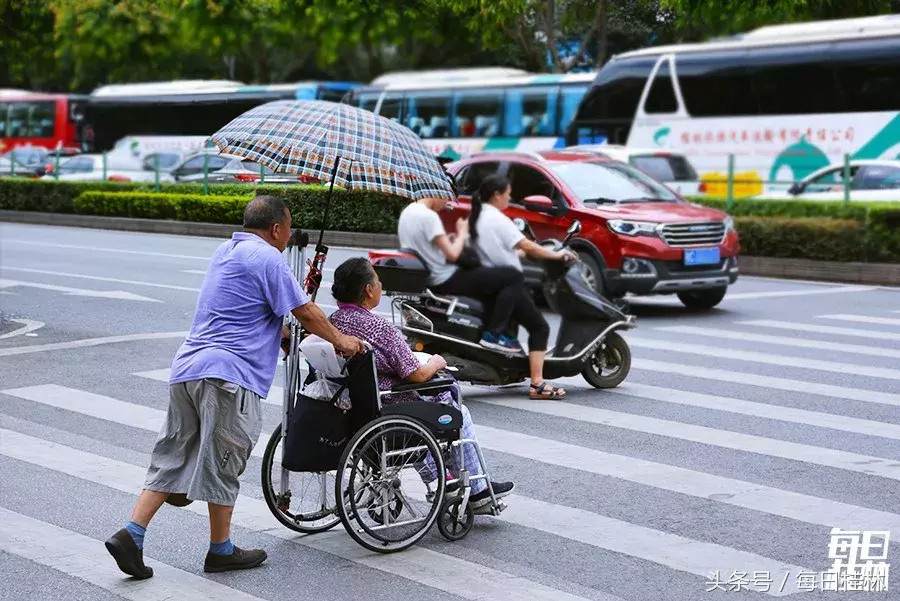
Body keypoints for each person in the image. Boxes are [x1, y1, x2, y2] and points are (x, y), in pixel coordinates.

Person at [104, 195, 365, 580]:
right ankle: (220, 550)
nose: (288, 236)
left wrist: (277, 335)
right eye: (287, 228)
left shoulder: (225, 252)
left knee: (173, 453)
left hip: (188, 369)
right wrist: (342, 340)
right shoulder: (268, 258)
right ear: (277, 229)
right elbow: (305, 311)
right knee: (227, 455)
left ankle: (133, 534)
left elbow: (242, 309)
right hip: (228, 376)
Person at [328, 257, 515, 510]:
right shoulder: (379, 328)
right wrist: (437, 362)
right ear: (368, 290)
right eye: (377, 280)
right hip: (388, 405)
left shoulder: (333, 322)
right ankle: (477, 490)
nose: (381, 284)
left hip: (354, 406)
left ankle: (443, 481)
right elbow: (416, 375)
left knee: (420, 410)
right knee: (455, 408)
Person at [469, 173, 577, 399]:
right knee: (540, 327)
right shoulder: (498, 219)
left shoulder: (477, 217)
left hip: (488, 280)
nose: (509, 198)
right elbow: (528, 245)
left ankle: (510, 368)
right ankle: (537, 384)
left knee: (519, 326)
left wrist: (518, 254)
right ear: (497, 194)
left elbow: (498, 249)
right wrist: (556, 256)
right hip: (507, 283)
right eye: (508, 194)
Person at [397, 194, 524, 353]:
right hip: (444, 278)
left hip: (431, 275)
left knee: (490, 276)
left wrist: (450, 240)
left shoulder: (408, 212)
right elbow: (453, 255)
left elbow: (426, 247)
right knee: (512, 276)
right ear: (437, 193)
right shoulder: (429, 216)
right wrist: (462, 232)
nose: (446, 204)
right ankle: (493, 335)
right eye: (446, 199)